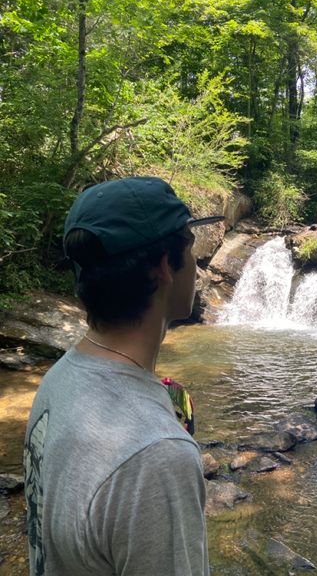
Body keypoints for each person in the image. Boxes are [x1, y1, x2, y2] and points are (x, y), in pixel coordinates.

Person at [24, 176, 223, 576]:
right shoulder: (157, 458)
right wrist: (158, 435)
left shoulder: (61, 377)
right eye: (192, 246)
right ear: (166, 266)